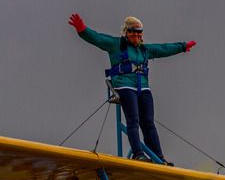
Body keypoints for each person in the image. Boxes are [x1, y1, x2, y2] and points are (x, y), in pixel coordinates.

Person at [68, 13, 195, 165]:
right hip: (125, 86)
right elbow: (97, 38)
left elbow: (163, 48)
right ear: (126, 32)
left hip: (143, 88)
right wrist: (82, 29)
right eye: (132, 31)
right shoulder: (116, 44)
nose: (135, 34)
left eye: (138, 31)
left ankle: (159, 158)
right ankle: (138, 153)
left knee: (148, 122)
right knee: (133, 120)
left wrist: (182, 47)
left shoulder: (145, 50)